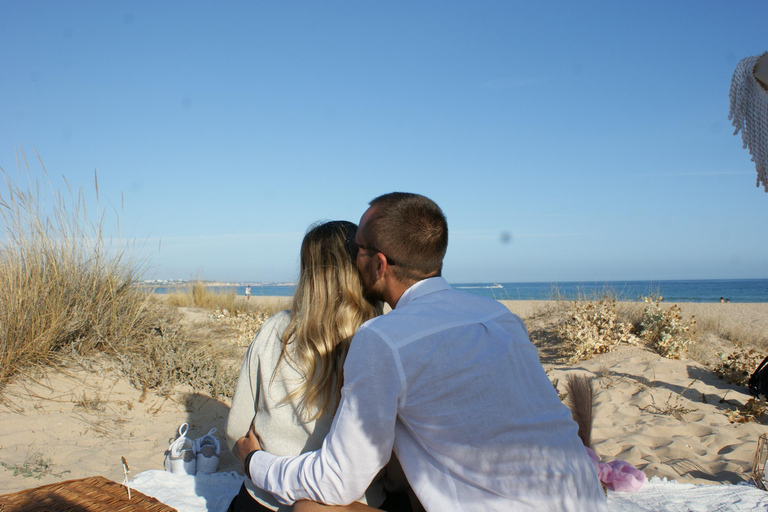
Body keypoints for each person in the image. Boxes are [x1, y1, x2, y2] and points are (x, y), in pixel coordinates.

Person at [236, 193, 608, 511]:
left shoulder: (384, 338)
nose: (353, 259)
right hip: (586, 499)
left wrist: (255, 462)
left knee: (310, 508)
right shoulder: (499, 315)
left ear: (378, 264)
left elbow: (338, 481)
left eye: (358, 250)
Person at [226, 221, 387, 512]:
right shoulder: (377, 337)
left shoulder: (275, 330)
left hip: (263, 497)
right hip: (348, 503)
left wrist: (256, 459)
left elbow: (237, 429)